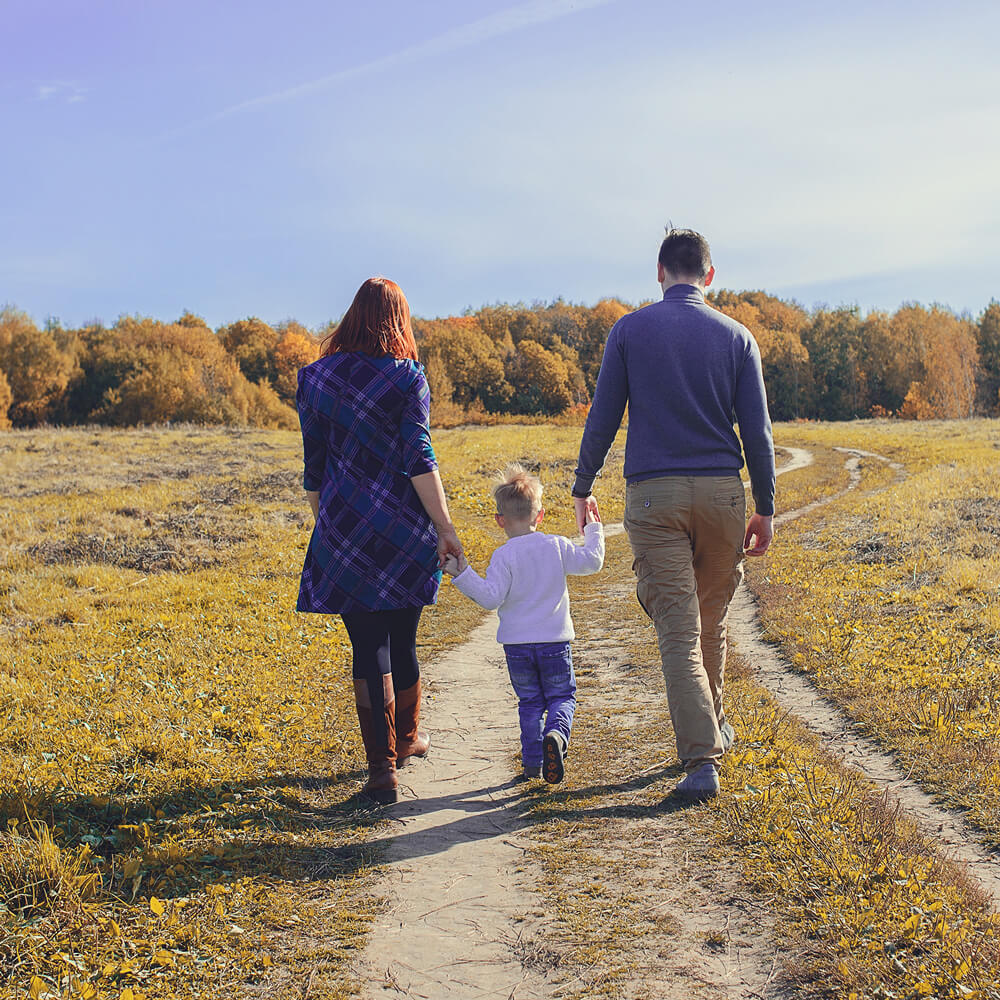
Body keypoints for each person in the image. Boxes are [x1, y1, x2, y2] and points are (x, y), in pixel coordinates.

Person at [572, 228, 775, 800]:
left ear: (659, 272)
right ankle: (715, 727)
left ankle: (702, 758)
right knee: (709, 619)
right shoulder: (738, 337)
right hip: (722, 497)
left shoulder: (629, 331)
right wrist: (766, 507)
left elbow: (603, 417)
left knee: (680, 631)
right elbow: (756, 433)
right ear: (709, 276)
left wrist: (583, 486)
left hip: (654, 496)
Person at [296, 277, 463, 805]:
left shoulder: (313, 379)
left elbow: (314, 469)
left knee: (367, 646)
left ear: (353, 315)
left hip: (344, 531)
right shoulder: (407, 377)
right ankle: (408, 738)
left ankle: (381, 771)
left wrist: (328, 527)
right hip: (403, 530)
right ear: (397, 319)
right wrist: (446, 526)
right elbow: (419, 457)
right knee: (404, 639)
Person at [443, 464, 604, 783]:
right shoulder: (556, 546)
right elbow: (593, 562)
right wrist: (593, 528)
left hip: (517, 648)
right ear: (540, 515)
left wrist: (461, 573)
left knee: (530, 702)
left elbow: (490, 598)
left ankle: (532, 764)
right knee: (562, 697)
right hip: (554, 643)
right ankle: (556, 735)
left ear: (499, 520)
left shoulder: (503, 556)